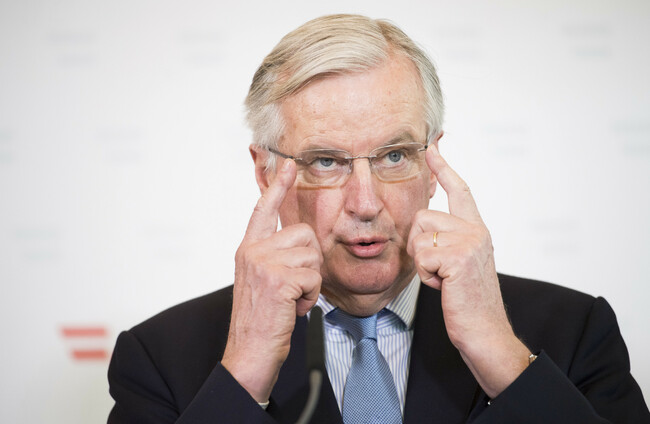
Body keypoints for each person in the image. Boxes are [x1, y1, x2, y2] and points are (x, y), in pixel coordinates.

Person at [107, 14, 650, 423]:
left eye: (394, 155)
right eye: (326, 161)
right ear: (265, 172)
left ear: (433, 164)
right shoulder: (161, 358)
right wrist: (243, 379)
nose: (366, 203)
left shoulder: (574, 332)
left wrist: (503, 359)